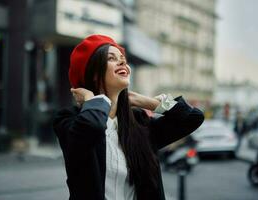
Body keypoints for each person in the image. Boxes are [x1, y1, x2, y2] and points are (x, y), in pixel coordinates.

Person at [53, 34, 204, 200]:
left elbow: (193, 118)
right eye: (111, 58)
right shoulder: (69, 121)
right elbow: (92, 127)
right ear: (93, 73)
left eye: (122, 58)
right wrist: (93, 101)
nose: (122, 61)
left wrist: (150, 102)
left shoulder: (139, 123)